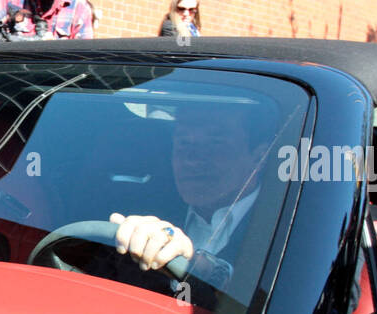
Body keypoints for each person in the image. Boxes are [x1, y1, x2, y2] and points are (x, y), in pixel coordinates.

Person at [106, 103, 271, 289]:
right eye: (184, 142)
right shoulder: (142, 209)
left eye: (215, 143)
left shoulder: (285, 226)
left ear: (259, 157)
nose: (191, 159)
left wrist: (202, 267)